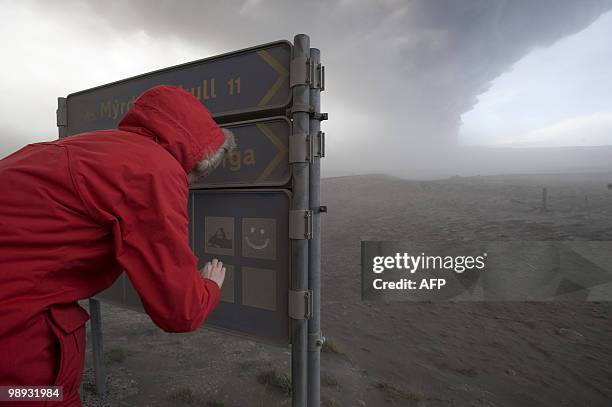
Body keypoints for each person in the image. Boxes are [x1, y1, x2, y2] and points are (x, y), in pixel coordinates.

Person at [0, 85, 235, 406]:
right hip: (14, 333)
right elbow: (181, 311)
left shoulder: (94, 146)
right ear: (198, 160)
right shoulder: (156, 170)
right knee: (38, 398)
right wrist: (209, 286)